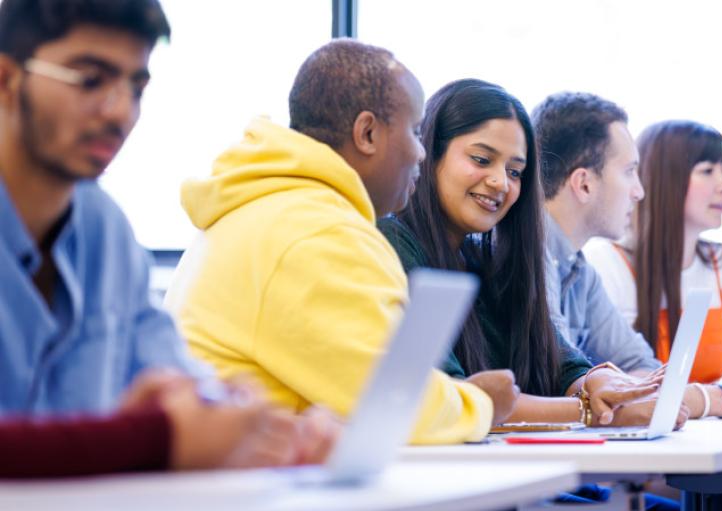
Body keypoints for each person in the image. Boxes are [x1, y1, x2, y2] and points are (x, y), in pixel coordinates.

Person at [0, 0, 341, 475]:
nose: (120, 111)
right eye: (90, 79)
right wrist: (149, 438)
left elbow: (185, 385)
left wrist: (263, 427)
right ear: (6, 80)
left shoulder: (108, 232)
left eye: (136, 87)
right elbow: (159, 434)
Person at [172, 40, 510, 444]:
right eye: (416, 131)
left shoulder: (271, 207)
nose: (420, 153)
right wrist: (480, 403)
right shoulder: (315, 231)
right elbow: (392, 407)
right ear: (367, 133)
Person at [379, 79, 671, 430]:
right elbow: (457, 397)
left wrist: (593, 382)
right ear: (430, 152)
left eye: (515, 171)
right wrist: (593, 412)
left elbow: (559, 362)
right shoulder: (393, 243)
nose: (500, 182)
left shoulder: (483, 261)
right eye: (482, 159)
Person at [536, 93, 722, 420]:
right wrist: (716, 398)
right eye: (628, 172)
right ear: (583, 184)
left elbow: (642, 368)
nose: (639, 191)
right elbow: (567, 391)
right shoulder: (534, 261)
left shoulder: (578, 270)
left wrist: (637, 395)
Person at [0, 370, 340, 478]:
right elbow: (176, 427)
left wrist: (262, 435)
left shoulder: (104, 227)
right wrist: (157, 434)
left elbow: (195, 402)